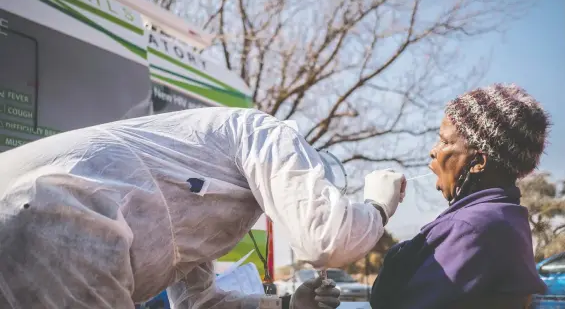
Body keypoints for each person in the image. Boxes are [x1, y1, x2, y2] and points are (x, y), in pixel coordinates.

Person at [0, 107, 406, 309]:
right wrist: (377, 205)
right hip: (56, 217)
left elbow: (199, 303)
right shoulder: (267, 133)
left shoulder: (195, 187)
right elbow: (326, 240)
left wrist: (285, 303)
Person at [370, 83, 549, 309]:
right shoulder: (507, 217)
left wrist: (377, 210)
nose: (433, 150)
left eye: (445, 141)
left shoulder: (469, 228)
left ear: (478, 163)